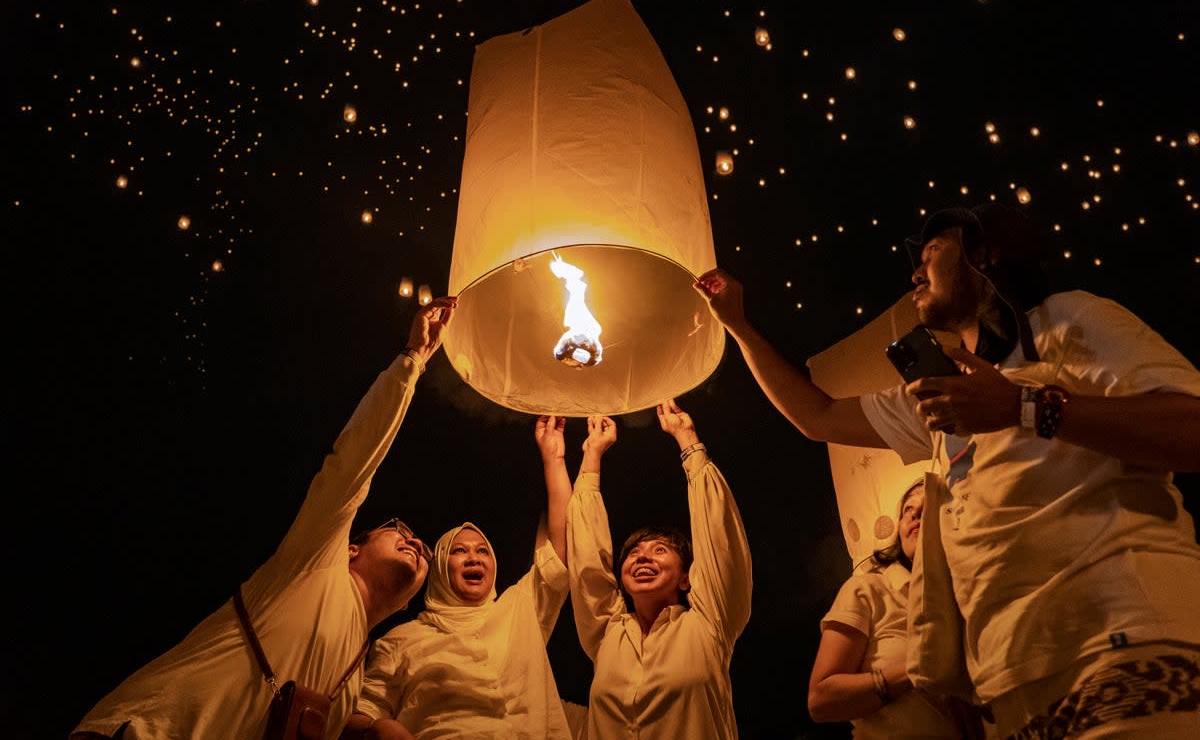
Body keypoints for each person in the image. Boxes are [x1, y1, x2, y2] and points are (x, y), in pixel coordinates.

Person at [696, 203, 1200, 738]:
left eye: (934, 250)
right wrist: (738, 326)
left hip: (1120, 638)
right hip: (1011, 683)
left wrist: (1020, 408)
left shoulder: (1067, 320)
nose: (915, 272)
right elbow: (817, 417)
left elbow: (1191, 429)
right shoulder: (940, 400)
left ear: (984, 253)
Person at [71, 297, 457, 740]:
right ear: (351, 547)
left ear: (407, 604)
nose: (416, 544)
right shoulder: (315, 563)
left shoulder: (351, 688)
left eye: (424, 551)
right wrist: (411, 362)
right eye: (401, 531)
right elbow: (353, 462)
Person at [342, 413, 573, 740]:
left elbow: (561, 544)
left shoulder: (520, 609)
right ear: (438, 567)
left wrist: (554, 458)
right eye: (459, 550)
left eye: (482, 551)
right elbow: (359, 714)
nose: (474, 557)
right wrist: (379, 727)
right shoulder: (401, 640)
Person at [567, 400, 753, 740]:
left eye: (660, 550)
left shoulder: (708, 625)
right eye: (634, 553)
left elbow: (719, 542)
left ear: (686, 577)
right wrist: (591, 455)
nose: (643, 557)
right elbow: (586, 561)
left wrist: (688, 440)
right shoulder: (607, 635)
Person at [809, 479, 967, 738]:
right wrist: (918, 667)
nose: (914, 514)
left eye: (926, 506)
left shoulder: (968, 597)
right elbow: (821, 701)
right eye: (907, 509)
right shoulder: (869, 590)